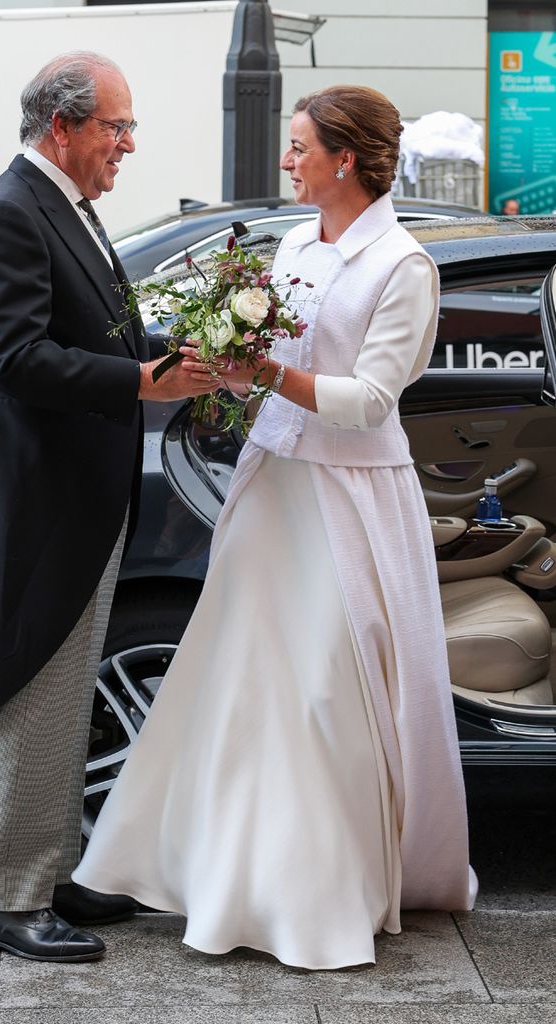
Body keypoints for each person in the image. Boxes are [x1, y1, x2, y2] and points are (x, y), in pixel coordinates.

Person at [73, 84, 478, 970]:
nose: (287, 162)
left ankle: (315, 894)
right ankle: (196, 872)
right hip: (272, 487)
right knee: (236, 679)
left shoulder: (403, 266)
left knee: (327, 692)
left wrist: (262, 371)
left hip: (349, 498)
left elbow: (369, 402)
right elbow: (270, 366)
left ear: (345, 158)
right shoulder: (293, 243)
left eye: (298, 148)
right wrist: (216, 369)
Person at [0, 51, 218, 963]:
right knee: (38, 694)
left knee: (65, 698)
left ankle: (48, 875)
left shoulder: (71, 208)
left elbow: (109, 335)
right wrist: (136, 380)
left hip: (81, 499)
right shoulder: (7, 211)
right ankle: (4, 901)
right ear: (62, 126)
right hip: (42, 503)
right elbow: (13, 362)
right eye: (116, 127)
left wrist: (183, 353)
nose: (128, 144)